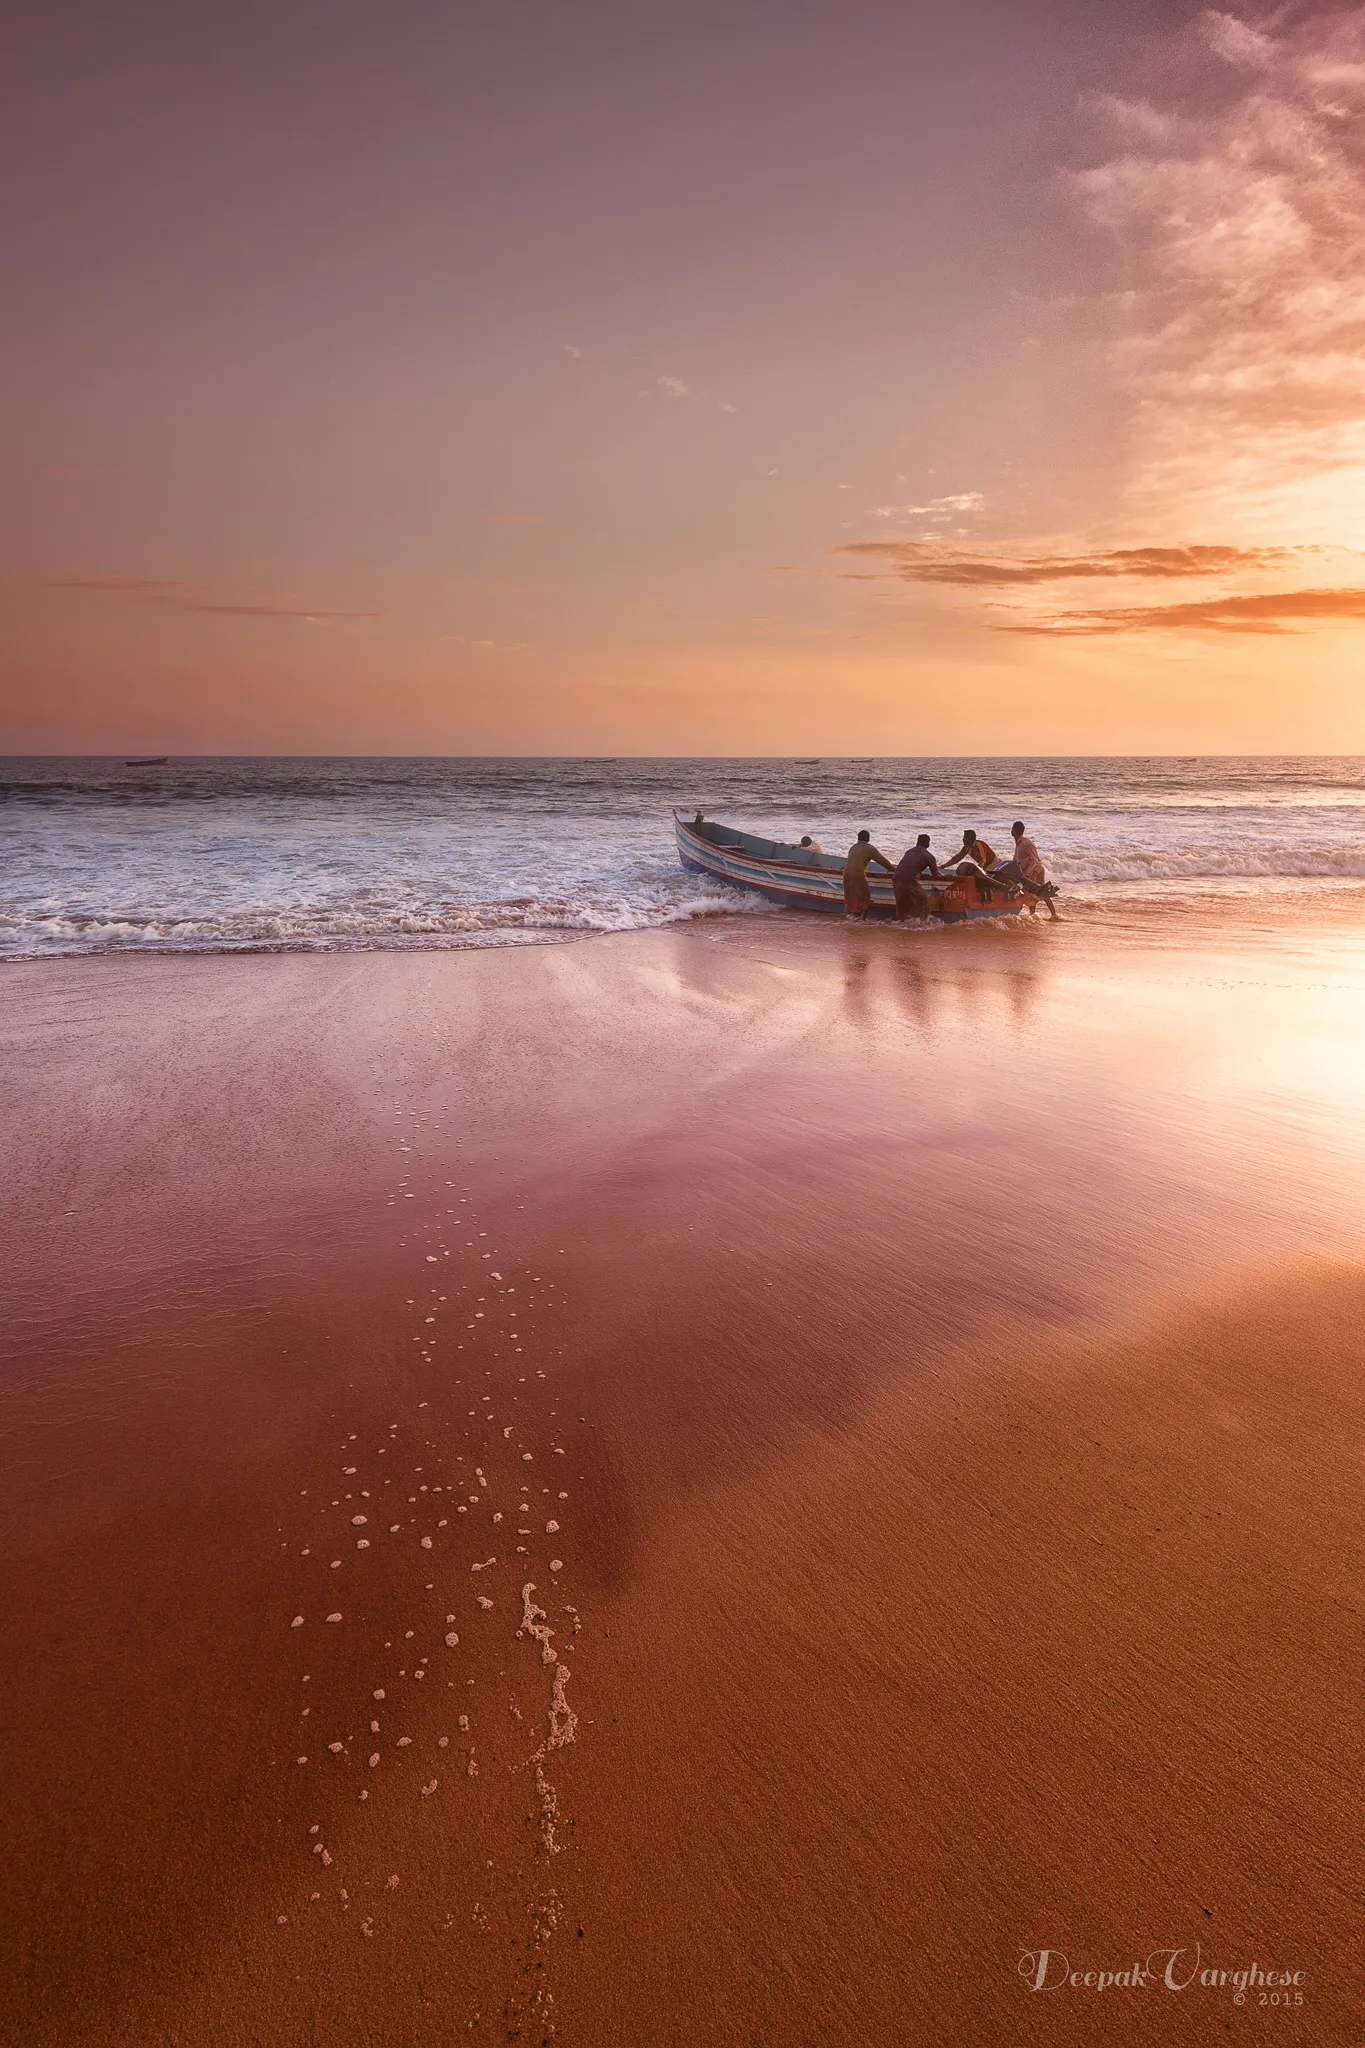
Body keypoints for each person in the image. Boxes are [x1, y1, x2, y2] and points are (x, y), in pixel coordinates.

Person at [989, 821, 1060, 918]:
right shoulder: (1018, 843)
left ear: (1014, 830)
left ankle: (1053, 915)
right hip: (1027, 872)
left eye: (1012, 829)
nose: (1011, 831)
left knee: (1036, 891)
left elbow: (1034, 860)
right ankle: (1033, 915)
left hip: (1036, 870)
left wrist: (1029, 872)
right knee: (1033, 892)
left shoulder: (1026, 843)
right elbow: (1016, 860)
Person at [937, 827, 1007, 903]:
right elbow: (956, 859)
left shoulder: (979, 845)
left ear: (969, 839)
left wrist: (978, 871)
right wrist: (941, 867)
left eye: (964, 838)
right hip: (985, 866)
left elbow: (983, 860)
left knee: (986, 882)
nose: (962, 839)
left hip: (994, 864)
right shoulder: (966, 848)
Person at [842, 829, 893, 918]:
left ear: (858, 839)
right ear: (868, 839)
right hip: (858, 874)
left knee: (852, 897)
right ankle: (862, 921)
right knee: (866, 897)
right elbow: (883, 861)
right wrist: (893, 870)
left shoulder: (853, 847)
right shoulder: (870, 849)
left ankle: (854, 917)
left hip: (846, 874)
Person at [891, 834, 940, 921]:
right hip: (909, 881)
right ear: (928, 844)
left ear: (917, 842)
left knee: (900, 908)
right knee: (924, 901)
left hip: (896, 879)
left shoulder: (909, 851)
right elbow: (935, 874)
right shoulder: (929, 856)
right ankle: (923, 923)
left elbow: (907, 866)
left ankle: (899, 922)